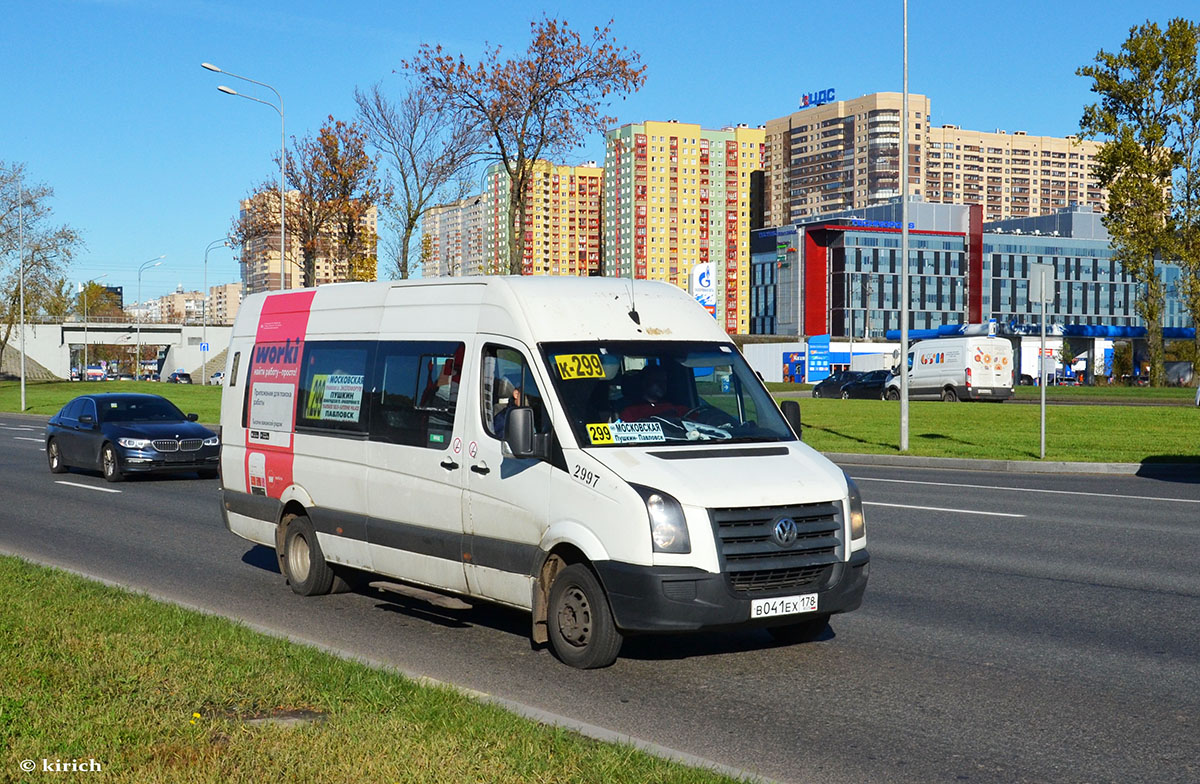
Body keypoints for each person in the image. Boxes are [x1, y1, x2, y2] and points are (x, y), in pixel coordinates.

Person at [620, 364, 688, 421]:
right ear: (645, 382)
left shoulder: (675, 407)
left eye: (664, 381)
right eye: (657, 381)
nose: (662, 385)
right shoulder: (631, 411)